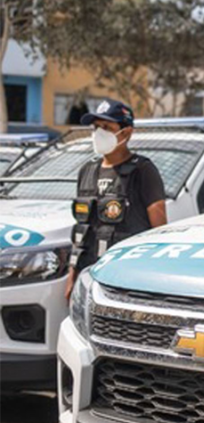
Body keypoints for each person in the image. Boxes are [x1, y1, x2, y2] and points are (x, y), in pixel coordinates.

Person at [64, 99, 167, 299]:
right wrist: (71, 278)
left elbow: (159, 231)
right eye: (96, 127)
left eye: (106, 127)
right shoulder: (87, 170)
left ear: (126, 133)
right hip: (89, 276)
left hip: (127, 278)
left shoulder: (143, 170)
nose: (98, 133)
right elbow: (81, 230)